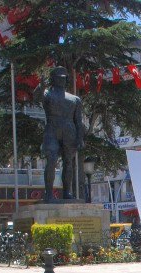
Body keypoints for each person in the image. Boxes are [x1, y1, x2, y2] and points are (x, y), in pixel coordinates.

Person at [41, 66, 85, 202]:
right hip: (52, 128)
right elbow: (37, 97)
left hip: (69, 130)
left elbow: (78, 121)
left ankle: (67, 192)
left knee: (68, 162)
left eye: (63, 78)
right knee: (52, 159)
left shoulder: (75, 99)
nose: (61, 80)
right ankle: (49, 193)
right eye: (58, 78)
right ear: (53, 79)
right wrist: (40, 87)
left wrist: (80, 138)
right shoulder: (47, 94)